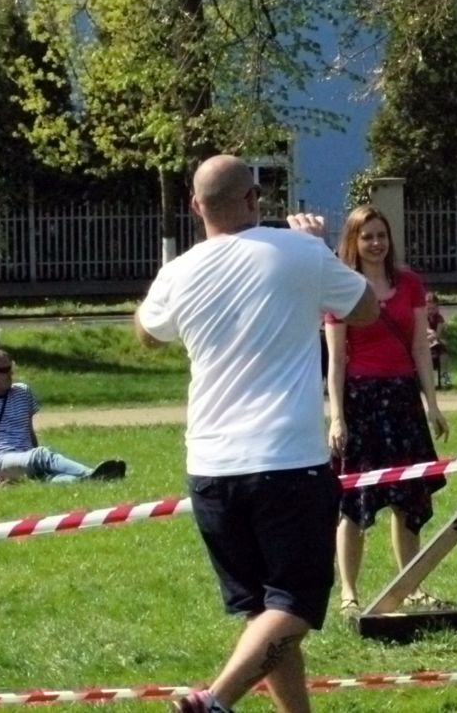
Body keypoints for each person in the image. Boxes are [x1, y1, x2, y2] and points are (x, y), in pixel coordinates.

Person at [135, 155, 377, 713]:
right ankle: (214, 702)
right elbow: (366, 308)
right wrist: (318, 248)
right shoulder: (298, 250)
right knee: (294, 607)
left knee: (265, 613)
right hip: (286, 462)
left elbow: (147, 332)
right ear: (254, 199)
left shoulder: (180, 270)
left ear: (195, 207)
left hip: (211, 468)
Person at [325, 206, 450, 619]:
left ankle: (410, 587)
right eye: (367, 237)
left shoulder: (409, 283)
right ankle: (349, 593)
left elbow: (419, 349)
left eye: (381, 235)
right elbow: (336, 361)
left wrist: (432, 404)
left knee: (408, 501)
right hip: (361, 401)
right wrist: (337, 417)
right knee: (354, 503)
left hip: (402, 398)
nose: (376, 243)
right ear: (353, 241)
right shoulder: (343, 289)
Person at [0, 348, 126, 485]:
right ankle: (92, 473)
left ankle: (91, 480)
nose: (10, 373)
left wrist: (33, 452)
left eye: (10, 368)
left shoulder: (22, 392)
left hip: (25, 454)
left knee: (49, 477)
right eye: (4, 370)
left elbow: (28, 430)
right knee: (41, 455)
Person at [425, 291, 452, 389]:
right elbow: (426, 330)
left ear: (437, 308)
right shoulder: (423, 317)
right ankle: (428, 382)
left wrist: (433, 335)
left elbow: (438, 334)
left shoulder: (439, 318)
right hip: (424, 343)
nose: (431, 311)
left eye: (433, 308)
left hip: (436, 342)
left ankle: (445, 379)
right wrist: (430, 335)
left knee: (444, 355)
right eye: (428, 309)